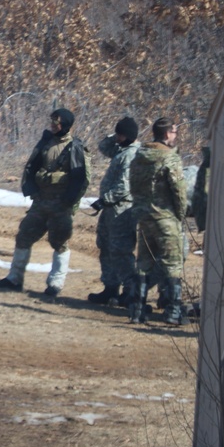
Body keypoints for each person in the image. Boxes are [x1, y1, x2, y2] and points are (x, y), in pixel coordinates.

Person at [0, 108, 89, 297]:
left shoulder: (75, 147)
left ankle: (55, 284)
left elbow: (81, 179)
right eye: (52, 122)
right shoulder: (46, 142)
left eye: (57, 123)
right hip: (41, 202)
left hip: (61, 205)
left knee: (60, 243)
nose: (52, 126)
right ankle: (14, 279)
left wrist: (69, 202)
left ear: (66, 126)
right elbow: (33, 166)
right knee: (24, 237)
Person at [128, 118, 187, 326]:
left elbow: (133, 185)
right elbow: (179, 190)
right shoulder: (169, 158)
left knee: (143, 263)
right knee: (173, 263)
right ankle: (173, 310)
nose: (175, 136)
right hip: (165, 217)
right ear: (166, 135)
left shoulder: (140, 156)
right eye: (174, 133)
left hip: (144, 217)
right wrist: (180, 214)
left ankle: (137, 309)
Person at [88, 117, 141, 306]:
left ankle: (130, 291)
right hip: (111, 210)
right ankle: (110, 288)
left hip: (123, 210)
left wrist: (104, 200)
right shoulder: (121, 150)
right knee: (106, 247)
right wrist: (116, 135)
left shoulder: (132, 155)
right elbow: (103, 147)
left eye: (120, 135)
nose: (116, 138)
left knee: (121, 250)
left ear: (128, 136)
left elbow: (124, 186)